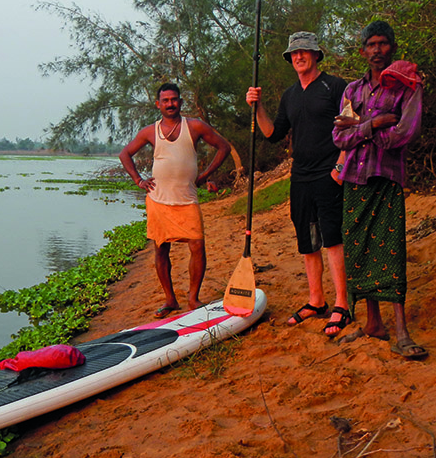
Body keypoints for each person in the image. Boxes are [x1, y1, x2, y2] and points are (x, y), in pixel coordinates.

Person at [332, 20, 427, 359]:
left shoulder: (408, 87)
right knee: (358, 252)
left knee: (390, 252)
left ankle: (401, 330)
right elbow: (338, 136)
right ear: (362, 51)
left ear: (393, 47)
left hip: (386, 178)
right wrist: (371, 123)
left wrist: (361, 128)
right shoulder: (352, 91)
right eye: (370, 44)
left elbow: (405, 133)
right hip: (355, 180)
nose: (376, 50)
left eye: (383, 43)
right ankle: (374, 323)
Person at [245, 31, 349, 333]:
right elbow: (272, 133)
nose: (299, 57)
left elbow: (349, 126)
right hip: (300, 176)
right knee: (307, 241)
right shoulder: (290, 95)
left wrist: (340, 167)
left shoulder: (335, 86)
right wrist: (257, 106)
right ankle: (316, 300)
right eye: (294, 53)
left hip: (329, 173)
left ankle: (341, 302)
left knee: (332, 238)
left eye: (304, 51)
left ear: (317, 54)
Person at [120, 83, 231, 316]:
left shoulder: (195, 126)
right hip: (158, 200)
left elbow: (223, 147)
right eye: (165, 100)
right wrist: (138, 180)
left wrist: (204, 176)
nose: (170, 104)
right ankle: (170, 299)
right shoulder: (150, 131)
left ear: (181, 102)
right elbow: (125, 154)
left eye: (174, 99)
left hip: (187, 199)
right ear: (158, 104)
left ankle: (193, 299)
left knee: (197, 246)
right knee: (161, 250)